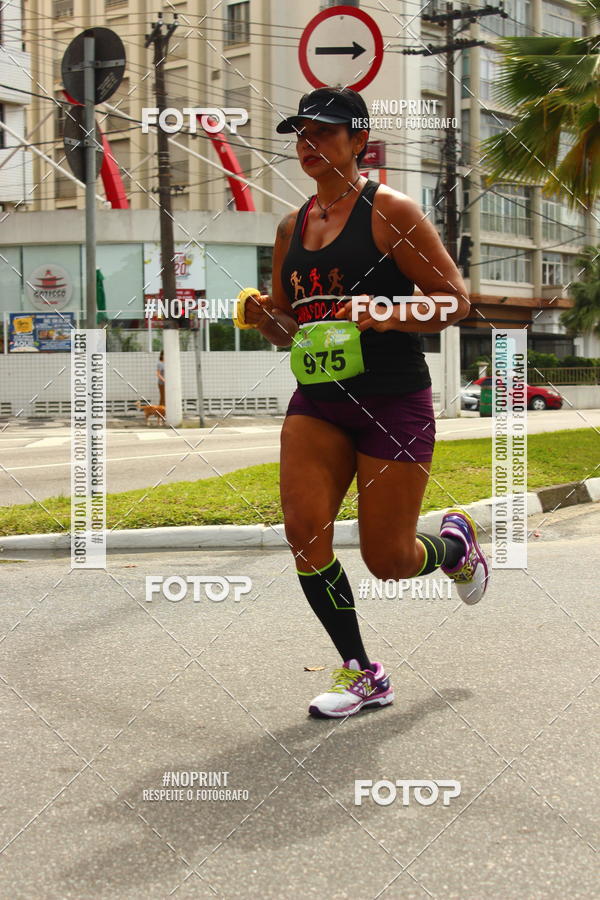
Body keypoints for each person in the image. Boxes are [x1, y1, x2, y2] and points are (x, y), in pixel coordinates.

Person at [242, 87, 489, 719]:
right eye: (301, 133)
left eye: (324, 133)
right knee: (305, 532)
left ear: (358, 142)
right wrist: (266, 316)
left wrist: (382, 310)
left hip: (392, 398)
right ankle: (362, 672)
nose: (309, 145)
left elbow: (454, 302)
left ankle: (455, 548)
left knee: (389, 559)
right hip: (318, 400)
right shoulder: (288, 227)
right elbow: (294, 327)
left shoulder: (391, 210)